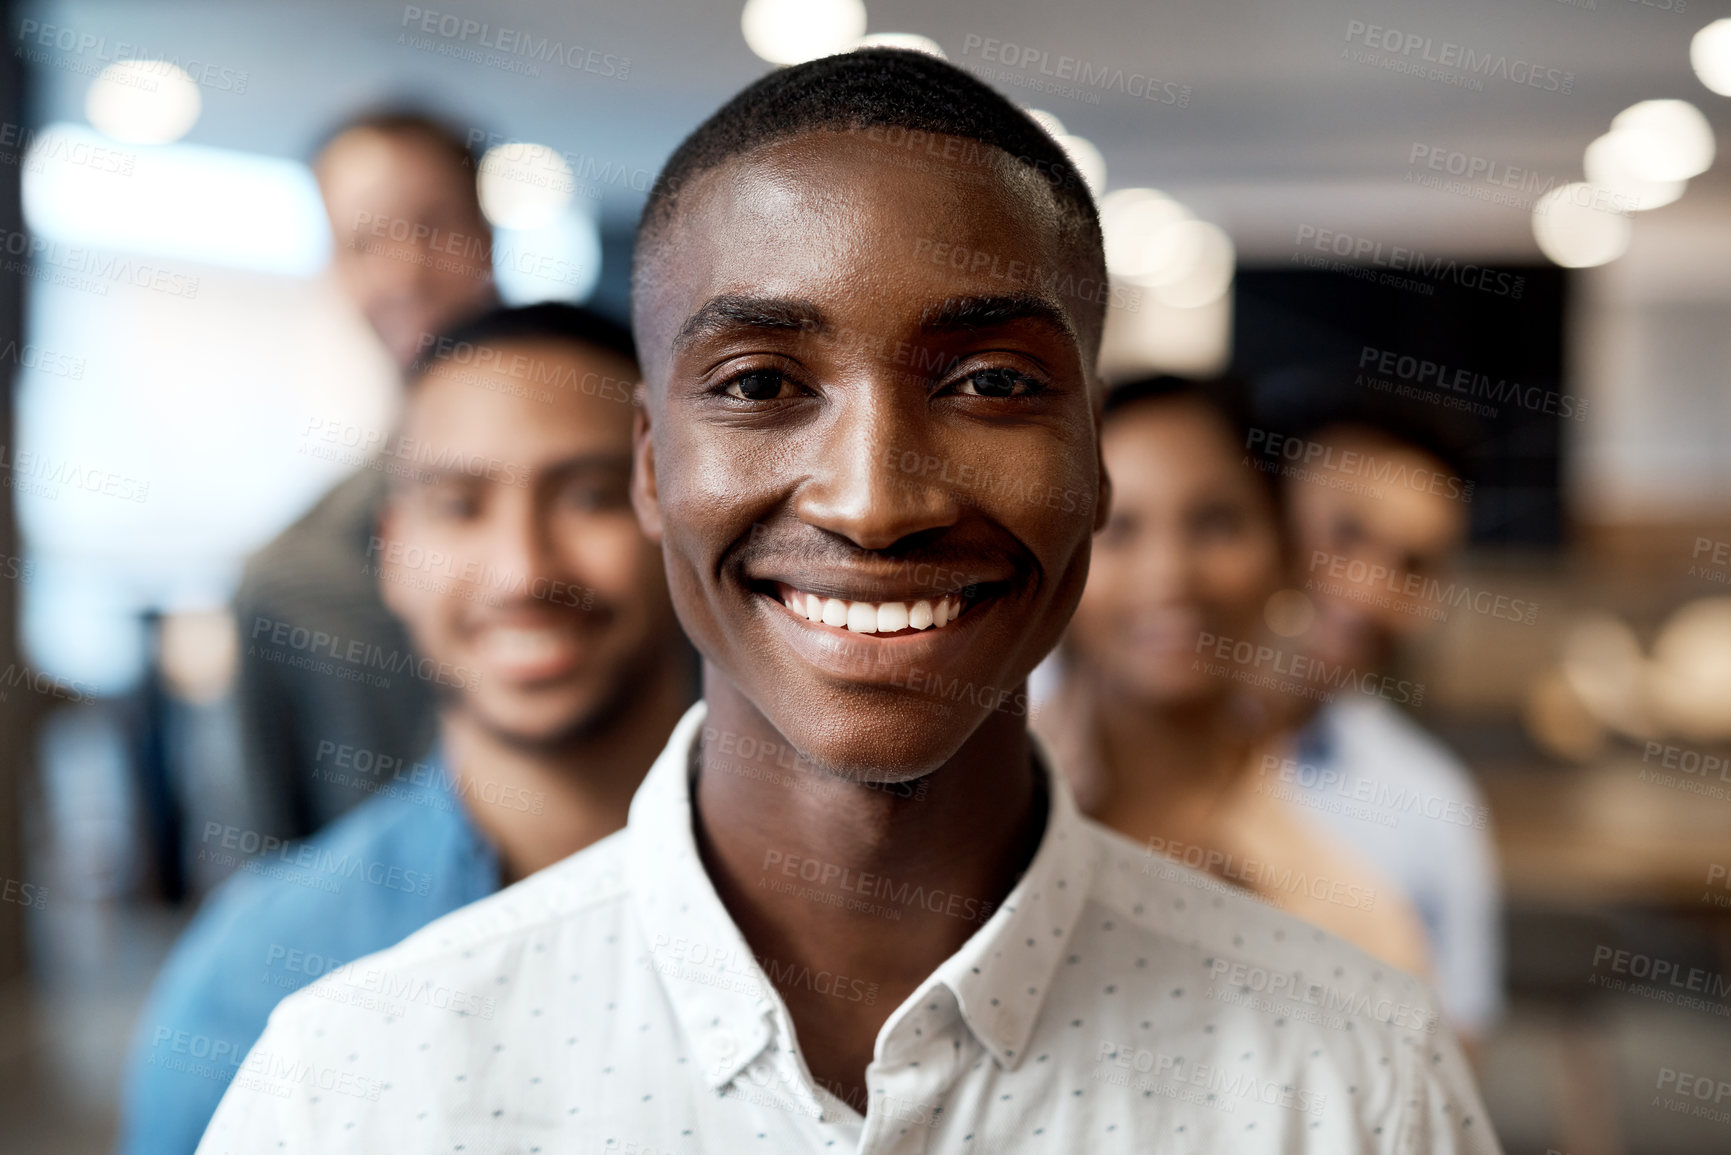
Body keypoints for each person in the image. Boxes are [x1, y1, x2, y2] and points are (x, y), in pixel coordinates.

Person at [198, 49, 1498, 1153]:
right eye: (760, 384)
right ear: (653, 467)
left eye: (988, 382)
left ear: (1093, 463)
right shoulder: (357, 1086)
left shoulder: (1352, 1084)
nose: (873, 502)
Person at [119, 304, 693, 1154]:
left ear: (681, 520)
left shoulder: (837, 914)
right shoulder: (264, 970)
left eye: (589, 495)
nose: (523, 569)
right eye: (459, 506)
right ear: (393, 553)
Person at [1034, 377, 1431, 978]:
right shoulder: (948, 828)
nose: (1169, 574)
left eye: (1215, 524)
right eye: (1117, 527)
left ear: (1285, 556)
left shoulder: (1354, 926)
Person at [231, 110, 499, 842]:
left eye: (432, 226)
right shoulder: (292, 578)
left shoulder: (652, 498)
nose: (403, 271)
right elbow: (273, 862)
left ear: (485, 234)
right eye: (364, 241)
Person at [1265, 410, 1505, 1039]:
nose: (1369, 590)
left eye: (1415, 566)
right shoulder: (1103, 733)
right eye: (1345, 533)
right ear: (1264, 515)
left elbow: (1456, 1062)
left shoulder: (1433, 801)